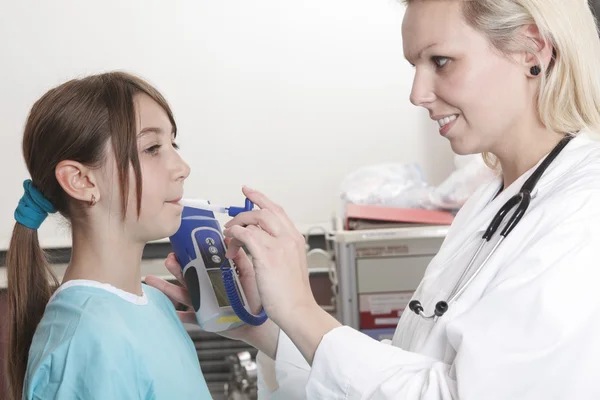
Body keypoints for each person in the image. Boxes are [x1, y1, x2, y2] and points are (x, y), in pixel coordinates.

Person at [148, 0, 600, 398]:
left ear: (531, 50)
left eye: (440, 61)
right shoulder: (490, 201)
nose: (418, 93)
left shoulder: (584, 212)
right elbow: (405, 370)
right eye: (414, 67)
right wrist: (265, 326)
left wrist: (302, 311)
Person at [5, 72, 213, 399]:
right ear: (81, 181)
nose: (182, 166)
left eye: (173, 143)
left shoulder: (156, 304)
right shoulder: (87, 340)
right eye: (153, 147)